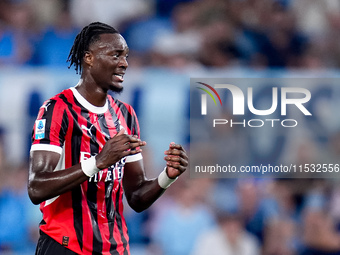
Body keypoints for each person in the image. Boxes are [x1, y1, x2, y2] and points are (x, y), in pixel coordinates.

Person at [27, 21, 188, 255]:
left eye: (126, 56)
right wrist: (98, 162)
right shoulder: (57, 109)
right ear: (88, 58)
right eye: (116, 55)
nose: (124, 63)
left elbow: (136, 197)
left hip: (115, 249)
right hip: (64, 246)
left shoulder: (126, 115)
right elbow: (36, 187)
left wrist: (167, 176)